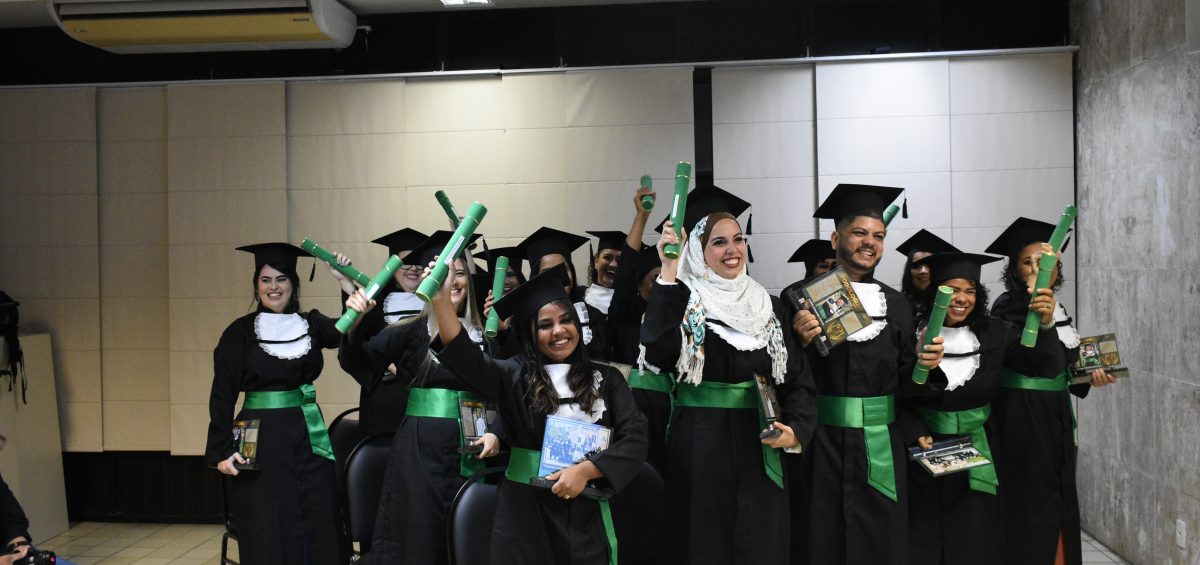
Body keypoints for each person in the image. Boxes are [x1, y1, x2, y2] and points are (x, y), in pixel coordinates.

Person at [640, 185, 817, 565]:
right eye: (718, 242)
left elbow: (798, 380)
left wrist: (797, 429)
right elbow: (656, 350)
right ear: (698, 252)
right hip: (700, 449)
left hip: (762, 444)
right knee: (703, 542)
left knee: (761, 542)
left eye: (738, 239)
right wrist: (669, 272)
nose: (733, 250)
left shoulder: (768, 306)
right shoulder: (682, 300)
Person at [429, 263, 648, 565]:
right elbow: (467, 359)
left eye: (566, 320)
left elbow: (635, 438)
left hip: (587, 508)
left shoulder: (608, 379)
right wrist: (441, 303)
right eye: (545, 325)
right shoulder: (512, 375)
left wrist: (585, 471)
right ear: (530, 333)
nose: (559, 331)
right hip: (524, 515)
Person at [789, 184, 945, 565]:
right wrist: (799, 342)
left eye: (878, 236)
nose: (869, 243)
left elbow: (907, 381)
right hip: (820, 443)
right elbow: (786, 376)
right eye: (860, 233)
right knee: (820, 537)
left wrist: (926, 366)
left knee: (880, 539)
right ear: (836, 237)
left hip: (880, 444)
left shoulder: (897, 304)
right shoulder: (799, 297)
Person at [342, 231, 500, 565]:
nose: (452, 281)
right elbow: (357, 360)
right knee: (418, 537)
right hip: (419, 452)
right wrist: (354, 321)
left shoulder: (488, 338)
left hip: (476, 447)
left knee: (470, 537)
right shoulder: (408, 332)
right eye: (443, 273)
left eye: (458, 273)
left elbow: (507, 392)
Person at [903, 251, 1066, 565]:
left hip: (977, 453)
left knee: (974, 541)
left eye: (970, 291)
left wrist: (1045, 325)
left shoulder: (995, 333)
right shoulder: (909, 332)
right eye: (951, 290)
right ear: (935, 292)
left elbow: (1044, 365)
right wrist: (916, 430)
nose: (962, 299)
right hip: (920, 455)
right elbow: (893, 390)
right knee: (923, 542)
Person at [205, 242, 353, 564]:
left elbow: (347, 331)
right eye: (266, 280)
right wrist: (220, 449)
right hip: (256, 440)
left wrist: (344, 283)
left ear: (294, 285)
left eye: (281, 279)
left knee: (317, 514)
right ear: (257, 287)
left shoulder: (311, 324)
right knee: (266, 519)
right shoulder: (239, 333)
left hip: (307, 434)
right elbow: (223, 394)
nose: (274, 287)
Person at [984, 217, 1118, 565]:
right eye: (1027, 262)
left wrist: (1091, 376)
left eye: (1046, 262)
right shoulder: (1006, 306)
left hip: (1053, 414)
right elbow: (1032, 361)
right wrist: (1040, 320)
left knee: (1056, 494)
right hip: (1019, 417)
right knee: (1029, 499)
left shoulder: (1058, 308)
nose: (1037, 269)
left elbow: (1064, 366)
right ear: (1013, 269)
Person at [336, 227, 427, 436]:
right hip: (385, 401)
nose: (413, 268)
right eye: (405, 261)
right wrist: (345, 281)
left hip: (427, 399)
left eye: (418, 262)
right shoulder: (375, 304)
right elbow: (354, 347)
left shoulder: (438, 303)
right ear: (391, 266)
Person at [517, 226, 613, 361]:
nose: (557, 277)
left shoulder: (594, 318)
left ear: (572, 272)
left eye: (562, 269)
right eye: (547, 272)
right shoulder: (526, 323)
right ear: (535, 278)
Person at [895, 229, 959, 323]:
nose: (923, 271)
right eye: (917, 266)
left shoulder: (951, 306)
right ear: (909, 271)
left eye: (929, 265)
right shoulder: (898, 306)